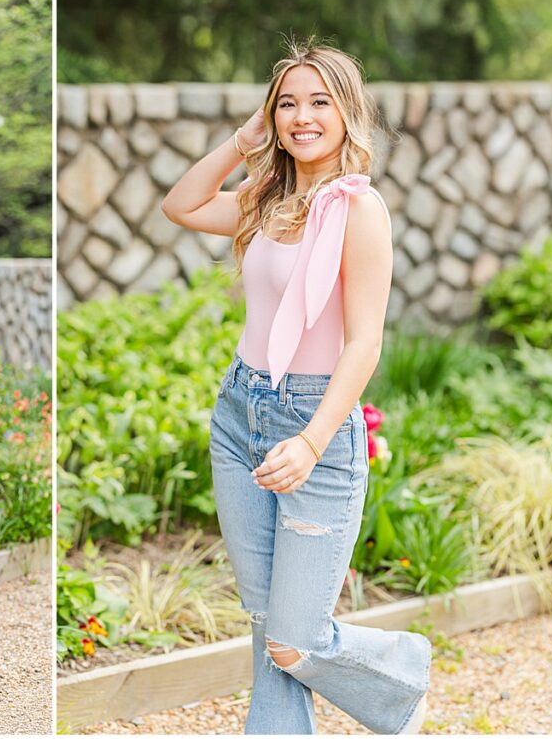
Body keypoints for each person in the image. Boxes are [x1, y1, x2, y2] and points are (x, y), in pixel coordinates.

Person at [161, 42, 430, 734]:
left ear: (347, 112)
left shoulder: (360, 211)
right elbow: (181, 204)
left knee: (295, 640)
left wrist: (311, 442)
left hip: (316, 423)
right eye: (287, 102)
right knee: (267, 628)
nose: (302, 116)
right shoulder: (265, 198)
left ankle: (403, 671)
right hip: (240, 413)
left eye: (319, 101)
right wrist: (240, 142)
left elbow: (365, 342)